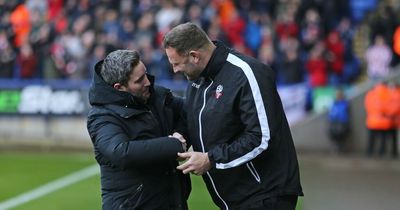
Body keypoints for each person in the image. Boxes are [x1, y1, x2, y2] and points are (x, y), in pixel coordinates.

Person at [163, 22, 303, 210]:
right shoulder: (198, 79)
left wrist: (210, 159)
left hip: (264, 194)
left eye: (177, 64)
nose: (175, 70)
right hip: (235, 198)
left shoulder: (247, 73)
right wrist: (181, 135)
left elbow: (261, 137)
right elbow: (192, 117)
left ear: (195, 56)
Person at [86, 49, 190, 210]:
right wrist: (173, 145)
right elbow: (121, 152)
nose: (148, 82)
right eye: (139, 80)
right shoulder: (101, 117)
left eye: (146, 74)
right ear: (119, 87)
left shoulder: (157, 95)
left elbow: (189, 112)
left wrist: (180, 136)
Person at [327, 87, 350, 153]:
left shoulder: (345, 103)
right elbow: (331, 114)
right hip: (334, 123)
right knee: (333, 132)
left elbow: (346, 115)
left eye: (339, 94)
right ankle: (337, 147)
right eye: (337, 94)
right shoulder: (333, 103)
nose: (338, 96)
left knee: (341, 132)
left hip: (343, 123)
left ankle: (341, 147)